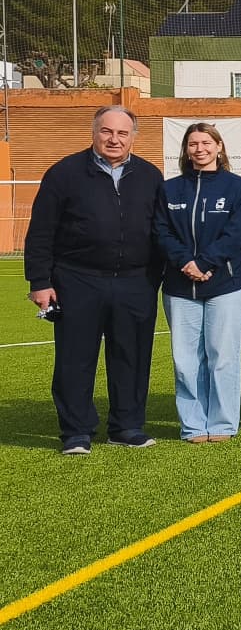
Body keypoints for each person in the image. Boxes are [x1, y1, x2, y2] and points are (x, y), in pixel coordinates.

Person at [25, 105, 164, 454]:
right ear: (94, 132)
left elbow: (160, 230)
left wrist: (155, 277)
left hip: (135, 282)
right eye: (107, 131)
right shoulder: (63, 173)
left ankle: (127, 425)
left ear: (134, 137)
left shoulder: (150, 175)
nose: (114, 139)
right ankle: (76, 431)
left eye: (122, 133)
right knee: (75, 357)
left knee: (131, 356)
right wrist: (40, 282)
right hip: (77, 280)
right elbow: (41, 232)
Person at [154, 122, 241, 443]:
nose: (200, 149)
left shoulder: (237, 187)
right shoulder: (169, 189)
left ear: (219, 147)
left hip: (226, 285)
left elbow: (238, 233)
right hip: (180, 287)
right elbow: (161, 232)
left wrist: (205, 262)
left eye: (206, 142)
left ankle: (223, 423)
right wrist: (186, 262)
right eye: (193, 144)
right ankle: (193, 425)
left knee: (222, 356)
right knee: (185, 361)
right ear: (185, 150)